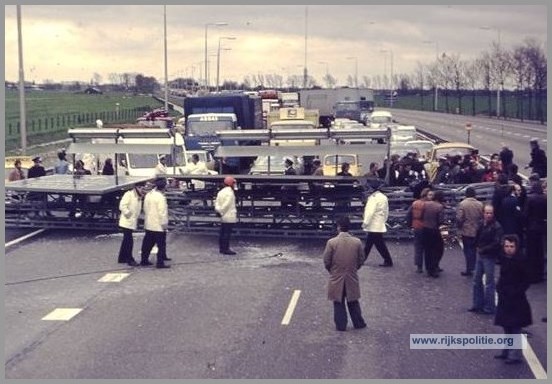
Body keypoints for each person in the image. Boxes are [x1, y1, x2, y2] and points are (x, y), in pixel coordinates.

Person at [323, 215, 367, 332]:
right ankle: (358, 323)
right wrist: (354, 269)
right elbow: (361, 259)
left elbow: (327, 260)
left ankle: (341, 325)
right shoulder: (357, 242)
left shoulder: (332, 242)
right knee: (353, 301)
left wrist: (332, 271)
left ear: (338, 227)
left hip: (336, 276)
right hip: (351, 275)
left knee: (338, 302)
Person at [494, 234, 532, 365]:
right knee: (506, 326)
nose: (509, 249)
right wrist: (499, 288)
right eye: (506, 246)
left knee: (515, 327)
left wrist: (516, 292)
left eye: (511, 246)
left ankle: (514, 355)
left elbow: (526, 280)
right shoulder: (505, 259)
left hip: (516, 299)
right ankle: (507, 351)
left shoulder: (521, 260)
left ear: (516, 247)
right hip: (505, 297)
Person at [469, 205, 503, 315]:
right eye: (487, 213)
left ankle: (489, 306)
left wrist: (483, 249)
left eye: (490, 213)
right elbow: (477, 236)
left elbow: (497, 243)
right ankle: (477, 304)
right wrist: (476, 245)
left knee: (489, 282)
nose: (488, 215)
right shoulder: (481, 223)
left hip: (489, 256)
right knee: (476, 280)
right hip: (481, 254)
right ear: (483, 213)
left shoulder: (497, 226)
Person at [140, 178, 171, 268]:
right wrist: (164, 224)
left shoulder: (149, 194)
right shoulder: (160, 197)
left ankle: (144, 259)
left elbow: (145, 208)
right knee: (161, 244)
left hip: (149, 223)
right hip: (158, 225)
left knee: (147, 243)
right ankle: (160, 262)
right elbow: (162, 212)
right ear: (163, 187)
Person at [362, 180, 393, 267]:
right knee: (374, 243)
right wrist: (384, 220)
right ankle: (363, 259)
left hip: (373, 224)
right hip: (379, 223)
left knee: (375, 244)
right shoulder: (383, 197)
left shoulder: (373, 198)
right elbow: (386, 211)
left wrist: (365, 222)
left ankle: (388, 260)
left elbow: (369, 212)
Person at [523, 180, 547, 284]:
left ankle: (532, 274)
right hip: (542, 226)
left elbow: (526, 214)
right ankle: (540, 273)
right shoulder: (545, 199)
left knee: (531, 252)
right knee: (540, 251)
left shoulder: (530, 198)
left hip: (531, 227)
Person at [456, 187, 484, 277]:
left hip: (466, 230)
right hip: (477, 230)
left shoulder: (463, 204)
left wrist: (459, 227)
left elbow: (460, 218)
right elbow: (482, 217)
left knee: (467, 250)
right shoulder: (480, 204)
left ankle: (469, 268)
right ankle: (475, 267)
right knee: (475, 249)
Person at [117, 182, 145, 266]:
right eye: (140, 188)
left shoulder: (138, 196)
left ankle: (122, 258)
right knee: (129, 241)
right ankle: (130, 259)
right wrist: (127, 213)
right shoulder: (129, 194)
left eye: (143, 188)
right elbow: (122, 205)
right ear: (136, 187)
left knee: (126, 240)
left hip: (131, 221)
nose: (142, 190)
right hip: (126, 221)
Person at [406, 187, 432, 273]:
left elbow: (409, 215)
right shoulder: (430, 204)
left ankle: (419, 267)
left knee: (418, 247)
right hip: (428, 227)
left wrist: (410, 225)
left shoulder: (415, 203)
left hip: (417, 227)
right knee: (429, 247)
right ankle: (430, 266)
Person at [421, 190, 446, 277]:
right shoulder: (440, 207)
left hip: (425, 229)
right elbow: (441, 221)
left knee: (427, 250)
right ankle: (434, 267)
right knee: (438, 249)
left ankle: (428, 268)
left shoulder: (425, 204)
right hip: (434, 230)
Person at [215, 176, 238, 255]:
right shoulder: (230, 193)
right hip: (229, 215)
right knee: (227, 233)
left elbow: (217, 203)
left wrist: (218, 211)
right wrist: (222, 211)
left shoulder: (220, 192)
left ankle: (222, 248)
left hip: (223, 215)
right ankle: (226, 249)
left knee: (222, 232)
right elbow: (227, 205)